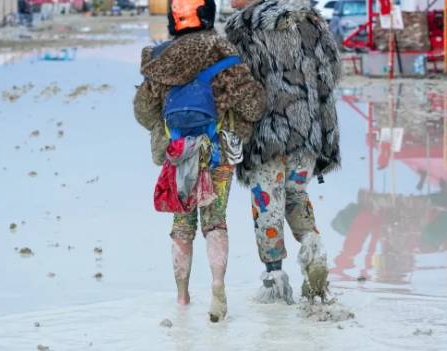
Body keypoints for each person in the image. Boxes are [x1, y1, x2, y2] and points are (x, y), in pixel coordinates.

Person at [134, 0, 265, 322]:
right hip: (218, 150)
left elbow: (143, 112)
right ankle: (218, 288)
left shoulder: (159, 58)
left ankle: (181, 298)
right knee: (216, 220)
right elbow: (252, 106)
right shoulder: (224, 52)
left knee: (181, 224)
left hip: (178, 154)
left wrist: (167, 132)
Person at [225, 0, 342, 303]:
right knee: (295, 196)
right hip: (308, 131)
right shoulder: (311, 20)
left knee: (267, 205)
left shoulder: (244, 26)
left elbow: (236, 87)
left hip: (266, 135)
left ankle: (275, 280)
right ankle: (313, 247)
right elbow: (331, 76)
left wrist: (233, 134)